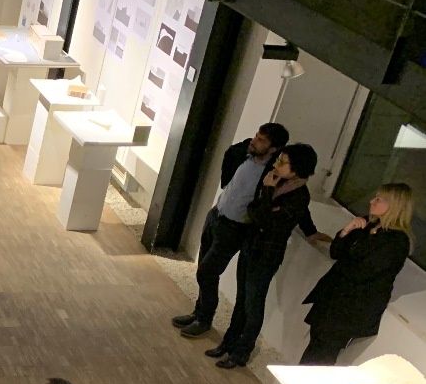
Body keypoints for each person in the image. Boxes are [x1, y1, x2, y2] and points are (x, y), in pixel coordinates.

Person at [208, 143, 328, 369]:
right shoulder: (275, 181)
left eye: (283, 162)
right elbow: (254, 211)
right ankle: (228, 343)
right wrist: (266, 200)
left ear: (297, 169)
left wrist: (267, 193)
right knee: (241, 300)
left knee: (253, 305)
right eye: (278, 159)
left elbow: (266, 220)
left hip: (266, 255)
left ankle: (241, 352)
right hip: (250, 245)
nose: (276, 164)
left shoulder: (297, 195)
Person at [172, 123, 290, 337]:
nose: (254, 140)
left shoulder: (271, 174)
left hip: (235, 228)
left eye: (261, 140)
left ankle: (204, 319)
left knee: (207, 272)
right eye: (256, 135)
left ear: (274, 148)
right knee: (204, 266)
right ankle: (199, 312)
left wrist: (311, 232)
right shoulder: (245, 155)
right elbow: (231, 157)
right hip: (216, 216)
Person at [300, 183, 415, 365]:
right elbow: (335, 252)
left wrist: (349, 254)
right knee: (315, 346)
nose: (372, 201)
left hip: (350, 308)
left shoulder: (396, 241)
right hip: (333, 298)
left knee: (323, 355)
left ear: (394, 205)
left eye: (378, 199)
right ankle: (292, 383)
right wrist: (347, 230)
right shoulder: (367, 224)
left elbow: (362, 272)